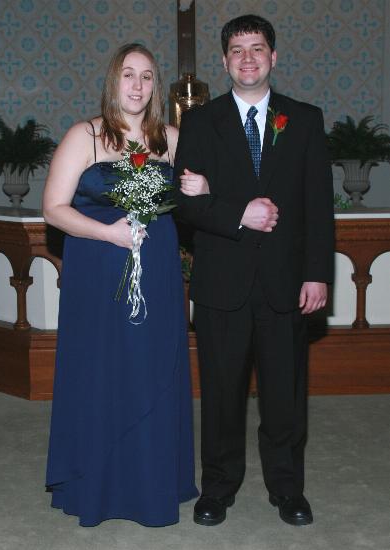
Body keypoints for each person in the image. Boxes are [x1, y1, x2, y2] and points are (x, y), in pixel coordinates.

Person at [174, 14, 334, 527]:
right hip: (222, 284)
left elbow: (318, 206)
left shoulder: (304, 119)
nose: (248, 58)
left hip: (287, 284)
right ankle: (217, 489)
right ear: (224, 62)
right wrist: (238, 212)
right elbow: (185, 205)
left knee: (285, 398)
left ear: (273, 57)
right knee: (222, 396)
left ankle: (288, 489)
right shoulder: (200, 123)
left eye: (257, 48)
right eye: (237, 50)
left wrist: (317, 273)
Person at [44, 43, 198, 527]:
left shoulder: (172, 139)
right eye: (129, 74)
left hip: (157, 271)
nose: (137, 85)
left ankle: (152, 483)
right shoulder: (84, 135)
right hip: (97, 270)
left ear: (156, 86)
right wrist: (108, 233)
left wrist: (204, 189)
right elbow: (53, 209)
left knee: (153, 369)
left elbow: (198, 199)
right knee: (102, 371)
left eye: (147, 76)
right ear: (114, 80)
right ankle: (96, 484)